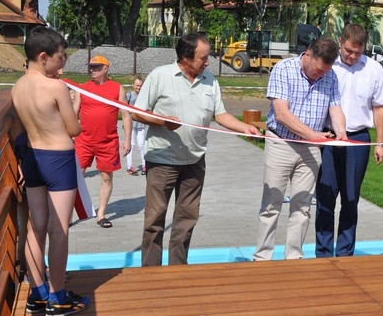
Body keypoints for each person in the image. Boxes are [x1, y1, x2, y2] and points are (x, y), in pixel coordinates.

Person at [132, 32, 260, 266]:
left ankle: (178, 269)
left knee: (187, 218)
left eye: (207, 57)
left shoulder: (210, 79)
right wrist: (163, 122)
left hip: (194, 160)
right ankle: (150, 273)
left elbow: (219, 114)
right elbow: (138, 112)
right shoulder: (160, 76)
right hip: (162, 161)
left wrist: (244, 127)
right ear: (185, 57)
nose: (207, 62)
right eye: (203, 58)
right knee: (154, 219)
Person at [11, 26, 90, 314]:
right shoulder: (57, 87)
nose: (63, 63)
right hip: (58, 159)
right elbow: (74, 129)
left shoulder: (17, 87)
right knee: (59, 231)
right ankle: (58, 297)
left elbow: (19, 129)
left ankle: (38, 293)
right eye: (61, 58)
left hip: (32, 157)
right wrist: (74, 105)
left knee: (36, 227)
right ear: (43, 57)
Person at [253, 38, 347, 261]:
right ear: (308, 55)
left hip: (311, 148)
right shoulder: (283, 69)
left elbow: (335, 109)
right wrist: (312, 134)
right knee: (271, 203)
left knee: (303, 205)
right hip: (280, 143)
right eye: (317, 70)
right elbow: (282, 113)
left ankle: (293, 257)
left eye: (325, 71)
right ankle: (262, 258)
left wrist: (341, 131)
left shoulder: (330, 76)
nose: (320, 75)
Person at [315, 24, 383, 258]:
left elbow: (379, 107)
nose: (352, 56)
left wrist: (380, 142)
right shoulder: (328, 65)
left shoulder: (373, 68)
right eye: (348, 50)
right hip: (327, 137)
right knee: (325, 197)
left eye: (357, 52)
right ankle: (324, 252)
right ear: (340, 41)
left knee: (350, 198)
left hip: (357, 138)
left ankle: (346, 253)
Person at [72, 55, 132, 228]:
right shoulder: (82, 88)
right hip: (84, 140)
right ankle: (67, 213)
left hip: (108, 141)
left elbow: (126, 115)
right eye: (91, 67)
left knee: (106, 176)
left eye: (97, 67)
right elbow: (74, 112)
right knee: (76, 176)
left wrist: (127, 140)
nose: (92, 70)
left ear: (106, 68)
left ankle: (101, 214)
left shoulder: (117, 88)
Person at [125, 76, 146, 175]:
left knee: (141, 144)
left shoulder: (144, 96)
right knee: (131, 145)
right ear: (133, 85)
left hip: (141, 123)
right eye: (137, 85)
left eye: (141, 86)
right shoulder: (129, 95)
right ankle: (129, 167)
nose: (139, 87)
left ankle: (144, 165)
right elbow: (123, 109)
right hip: (131, 124)